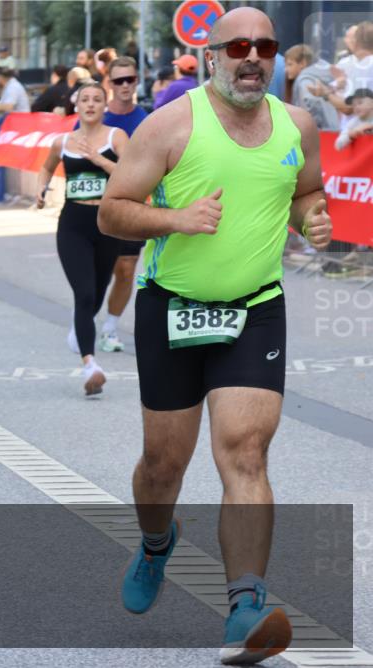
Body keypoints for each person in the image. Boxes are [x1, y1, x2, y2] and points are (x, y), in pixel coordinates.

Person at [97, 8, 332, 664]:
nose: (251, 57)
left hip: (255, 310)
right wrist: (174, 218)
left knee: (246, 453)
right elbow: (114, 211)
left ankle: (246, 608)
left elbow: (306, 192)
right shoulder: (171, 124)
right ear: (211, 55)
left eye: (264, 45)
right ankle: (155, 543)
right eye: (237, 46)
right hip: (173, 309)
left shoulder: (299, 124)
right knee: (162, 467)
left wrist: (313, 219)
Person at [35, 82, 127, 395]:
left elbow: (130, 174)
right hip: (73, 223)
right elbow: (46, 169)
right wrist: (41, 188)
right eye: (85, 99)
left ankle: (81, 326)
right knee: (84, 293)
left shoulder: (116, 137)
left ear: (105, 105)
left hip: (107, 223)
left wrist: (100, 160)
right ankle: (90, 364)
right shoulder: (62, 141)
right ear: (77, 106)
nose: (90, 104)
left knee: (99, 290)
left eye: (97, 99)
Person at [92, 56, 148, 354]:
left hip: (131, 206)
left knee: (126, 270)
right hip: (95, 208)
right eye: (119, 81)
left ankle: (110, 327)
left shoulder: (147, 120)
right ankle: (84, 318)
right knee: (100, 271)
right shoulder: (95, 117)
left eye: (131, 79)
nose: (125, 86)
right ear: (109, 84)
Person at [289, 45, 339, 131]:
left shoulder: (304, 81)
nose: (286, 69)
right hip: (332, 128)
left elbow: (310, 105)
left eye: (290, 64)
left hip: (316, 131)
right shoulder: (324, 75)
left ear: (302, 63)